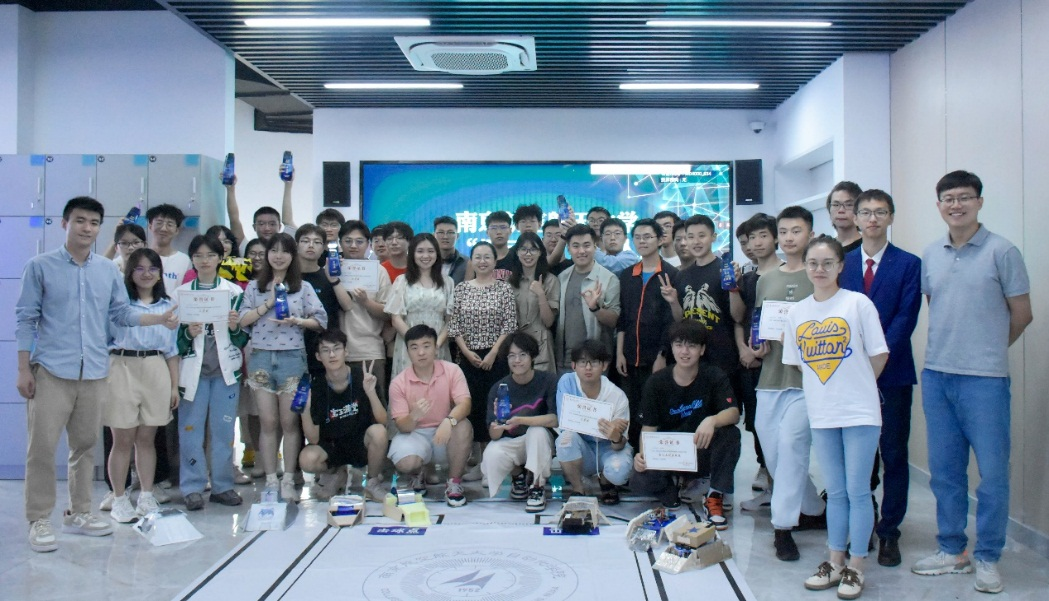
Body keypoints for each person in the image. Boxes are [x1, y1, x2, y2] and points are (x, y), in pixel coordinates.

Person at [16, 196, 178, 553]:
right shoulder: (40, 266)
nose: (86, 228)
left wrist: (157, 318)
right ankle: (39, 518)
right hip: (51, 371)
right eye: (80, 221)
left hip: (94, 371)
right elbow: (26, 319)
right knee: (41, 449)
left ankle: (79, 512)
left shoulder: (107, 271)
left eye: (93, 223)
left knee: (85, 447)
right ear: (65, 223)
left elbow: (121, 314)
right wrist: (23, 367)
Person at [911, 171, 1032, 594]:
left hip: (985, 380)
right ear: (939, 205)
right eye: (948, 198)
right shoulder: (932, 253)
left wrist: (989, 350)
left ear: (979, 202)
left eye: (964, 197)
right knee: (945, 472)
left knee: (993, 474)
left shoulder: (1003, 251)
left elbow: (1022, 314)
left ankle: (988, 557)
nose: (956, 205)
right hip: (938, 375)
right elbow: (937, 305)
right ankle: (952, 549)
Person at [783, 236, 889, 600]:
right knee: (837, 491)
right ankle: (835, 560)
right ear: (805, 266)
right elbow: (801, 364)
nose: (820, 269)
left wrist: (855, 388)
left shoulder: (858, 304)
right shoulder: (797, 313)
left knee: (858, 491)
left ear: (841, 266)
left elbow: (878, 355)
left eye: (828, 263)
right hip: (822, 413)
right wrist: (830, 392)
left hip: (860, 412)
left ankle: (856, 566)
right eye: (813, 263)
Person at [840, 190, 922, 567]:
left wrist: (878, 358)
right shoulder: (842, 263)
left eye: (880, 212)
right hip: (848, 373)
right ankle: (864, 521)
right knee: (858, 456)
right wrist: (857, 362)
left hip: (893, 373)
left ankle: (890, 530)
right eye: (866, 212)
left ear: (890, 217)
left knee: (893, 453)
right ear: (856, 218)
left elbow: (906, 316)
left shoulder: (909, 263)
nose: (872, 219)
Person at [752, 206, 827, 562]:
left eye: (796, 231)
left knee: (792, 446)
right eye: (783, 232)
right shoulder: (766, 279)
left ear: (810, 234)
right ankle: (814, 508)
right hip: (770, 378)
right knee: (775, 455)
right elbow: (759, 324)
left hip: (806, 382)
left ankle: (782, 527)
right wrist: (758, 344)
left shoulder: (820, 278)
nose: (788, 238)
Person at [239, 232, 328, 502]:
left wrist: (297, 321)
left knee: (290, 423)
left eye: (285, 251)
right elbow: (242, 320)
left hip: (292, 358)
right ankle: (270, 479)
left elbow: (321, 320)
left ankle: (288, 479)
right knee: (268, 422)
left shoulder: (303, 287)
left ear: (293, 256)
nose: (279, 256)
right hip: (261, 358)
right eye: (274, 250)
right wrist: (268, 302)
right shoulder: (254, 287)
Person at [631, 320, 741, 527]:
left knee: (730, 433)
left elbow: (733, 412)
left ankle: (714, 496)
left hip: (700, 450)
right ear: (672, 348)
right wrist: (644, 457)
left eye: (691, 346)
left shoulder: (714, 375)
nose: (684, 351)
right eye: (679, 345)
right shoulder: (656, 382)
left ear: (702, 350)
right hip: (670, 453)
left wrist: (712, 420)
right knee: (639, 478)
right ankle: (672, 488)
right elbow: (649, 428)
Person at [104, 248, 180, 523]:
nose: (146, 274)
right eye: (139, 268)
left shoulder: (168, 305)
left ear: (160, 273)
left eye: (152, 268)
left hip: (155, 367)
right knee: (122, 439)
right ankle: (119, 498)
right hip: (122, 366)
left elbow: (172, 351)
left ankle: (147, 496)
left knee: (147, 439)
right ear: (129, 272)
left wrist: (174, 387)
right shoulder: (119, 304)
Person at [176, 234, 250, 510]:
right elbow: (173, 342)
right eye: (198, 256)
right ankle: (192, 487)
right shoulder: (181, 294)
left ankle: (222, 485)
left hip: (224, 373)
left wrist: (234, 328)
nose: (204, 261)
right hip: (192, 374)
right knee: (190, 431)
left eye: (210, 255)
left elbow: (243, 339)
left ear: (220, 258)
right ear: (192, 260)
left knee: (224, 430)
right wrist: (187, 333)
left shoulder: (235, 293)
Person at [388, 325, 474, 507]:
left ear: (436, 348)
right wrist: (414, 415)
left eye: (426, 346)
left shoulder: (452, 370)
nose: (421, 352)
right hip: (415, 434)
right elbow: (402, 426)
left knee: (463, 425)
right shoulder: (398, 382)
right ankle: (417, 474)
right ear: (407, 351)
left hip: (444, 434)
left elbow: (465, 404)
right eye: (414, 347)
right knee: (406, 462)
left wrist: (449, 421)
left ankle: (454, 483)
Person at [729, 213, 782, 510]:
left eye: (763, 236)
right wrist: (743, 349)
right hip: (749, 364)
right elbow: (739, 319)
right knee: (759, 425)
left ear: (775, 237)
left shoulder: (788, 273)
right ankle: (772, 488)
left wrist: (766, 351)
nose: (756, 243)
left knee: (782, 431)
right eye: (750, 238)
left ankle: (789, 494)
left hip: (780, 366)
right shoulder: (747, 279)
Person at [299, 330, 389, 503]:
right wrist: (305, 409)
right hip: (332, 446)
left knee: (379, 433)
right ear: (318, 356)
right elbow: (313, 438)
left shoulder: (363, 377)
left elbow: (383, 421)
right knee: (307, 459)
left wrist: (371, 393)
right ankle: (335, 474)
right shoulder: (316, 386)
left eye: (337, 348)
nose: (332, 355)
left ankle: (372, 483)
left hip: (360, 441)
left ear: (346, 352)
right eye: (325, 350)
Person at [616, 218, 681, 450]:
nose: (642, 241)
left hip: (657, 357)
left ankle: (656, 460)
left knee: (655, 410)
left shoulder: (671, 274)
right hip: (629, 356)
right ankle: (636, 459)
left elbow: (673, 321)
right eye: (637, 237)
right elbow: (623, 317)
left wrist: (662, 355)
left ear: (660, 239)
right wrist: (619, 353)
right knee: (632, 410)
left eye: (647, 237)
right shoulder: (627, 275)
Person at [449, 241, 518, 445]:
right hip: (468, 357)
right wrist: (466, 352)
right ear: (471, 261)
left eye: (487, 257)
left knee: (496, 404)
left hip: (496, 357)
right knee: (471, 404)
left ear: (495, 261)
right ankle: (472, 453)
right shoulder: (461, 289)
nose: (482, 261)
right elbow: (454, 324)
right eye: (477, 257)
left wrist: (493, 352)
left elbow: (510, 324)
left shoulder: (504, 289)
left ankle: (495, 450)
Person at [480, 332, 559, 512]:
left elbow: (554, 419)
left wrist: (521, 420)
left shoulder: (548, 380)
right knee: (492, 453)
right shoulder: (499, 388)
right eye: (512, 356)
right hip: (513, 441)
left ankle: (537, 486)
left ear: (532, 357)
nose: (517, 360)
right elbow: (494, 435)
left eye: (522, 354)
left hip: (542, 441)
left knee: (536, 432)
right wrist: (498, 422)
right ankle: (518, 478)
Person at [555, 340, 633, 505]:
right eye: (583, 362)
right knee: (565, 440)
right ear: (573, 365)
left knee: (618, 471)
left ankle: (606, 481)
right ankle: (578, 489)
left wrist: (615, 436)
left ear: (604, 366)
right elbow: (566, 423)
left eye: (594, 362)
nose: (588, 368)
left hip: (608, 449)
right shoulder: (567, 382)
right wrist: (606, 424)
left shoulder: (617, 396)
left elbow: (619, 445)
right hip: (583, 448)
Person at [337, 221, 392, 405]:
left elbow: (388, 313)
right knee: (343, 410)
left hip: (370, 350)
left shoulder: (379, 271)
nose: (353, 246)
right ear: (340, 243)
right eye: (348, 241)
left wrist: (366, 302)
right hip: (336, 352)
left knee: (375, 407)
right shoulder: (332, 270)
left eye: (359, 241)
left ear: (368, 244)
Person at [385, 233, 454, 378]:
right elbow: (396, 319)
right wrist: (416, 344)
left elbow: (450, 320)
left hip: (438, 345)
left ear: (437, 254)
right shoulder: (402, 281)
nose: (425, 256)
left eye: (430, 251)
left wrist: (435, 345)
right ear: (412, 254)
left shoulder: (448, 282)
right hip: (409, 346)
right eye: (420, 251)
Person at [554, 224, 621, 369]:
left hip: (596, 362)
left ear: (595, 247)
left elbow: (614, 320)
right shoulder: (562, 277)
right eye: (575, 246)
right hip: (565, 360)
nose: (581, 251)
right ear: (568, 249)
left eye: (586, 245)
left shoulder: (609, 278)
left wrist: (595, 308)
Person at [296, 224, 352, 377]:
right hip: (293, 349)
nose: (311, 245)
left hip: (326, 351)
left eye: (317, 242)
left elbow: (347, 306)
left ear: (323, 248)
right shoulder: (287, 279)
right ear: (296, 245)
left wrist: (334, 280)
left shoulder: (330, 275)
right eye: (305, 241)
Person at [508, 232, 559, 371]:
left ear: (540, 252)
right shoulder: (510, 282)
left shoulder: (551, 280)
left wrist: (541, 294)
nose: (528, 254)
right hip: (517, 345)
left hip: (541, 344)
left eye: (533, 249)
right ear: (517, 252)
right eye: (523, 249)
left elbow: (548, 322)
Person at [223, 172, 296, 254]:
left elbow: (287, 220)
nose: (267, 228)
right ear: (254, 227)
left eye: (272, 224)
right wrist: (230, 189)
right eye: (261, 224)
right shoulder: (247, 249)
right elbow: (234, 220)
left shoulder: (288, 246)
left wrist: (288, 184)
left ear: (279, 226)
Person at [145, 203, 191, 296]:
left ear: (177, 230)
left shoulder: (184, 261)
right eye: (159, 223)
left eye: (169, 224)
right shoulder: (139, 256)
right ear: (150, 226)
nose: (163, 229)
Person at [827, 181, 863, 254]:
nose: (841, 210)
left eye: (848, 205)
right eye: (836, 205)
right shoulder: (826, 247)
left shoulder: (867, 246)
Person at [433, 215, 468, 284]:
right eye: (441, 232)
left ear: (457, 236)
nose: (445, 237)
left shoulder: (467, 263)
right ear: (434, 235)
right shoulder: (427, 262)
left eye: (450, 232)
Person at [485, 211, 515, 280]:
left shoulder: (518, 258)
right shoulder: (479, 260)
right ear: (487, 232)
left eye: (503, 227)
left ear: (510, 231)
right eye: (494, 228)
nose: (499, 232)